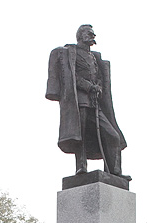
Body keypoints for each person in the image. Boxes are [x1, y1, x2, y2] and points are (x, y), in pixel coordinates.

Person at [46, 24, 129, 179]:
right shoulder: (72, 52)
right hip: (80, 101)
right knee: (80, 135)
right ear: (81, 35)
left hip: (95, 102)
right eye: (89, 33)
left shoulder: (94, 57)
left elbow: (99, 77)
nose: (93, 36)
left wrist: (98, 87)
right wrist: (89, 86)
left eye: (93, 34)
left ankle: (113, 170)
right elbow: (71, 76)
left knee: (113, 136)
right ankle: (81, 167)